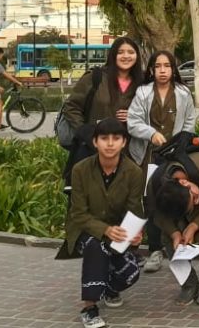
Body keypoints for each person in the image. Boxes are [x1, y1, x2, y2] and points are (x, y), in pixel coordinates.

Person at [63, 119, 145, 328]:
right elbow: (78, 213)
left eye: (116, 138)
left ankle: (108, 288)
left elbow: (134, 210)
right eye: (104, 138)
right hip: (85, 228)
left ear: (124, 142)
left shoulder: (134, 172)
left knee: (131, 273)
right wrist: (105, 230)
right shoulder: (80, 169)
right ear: (95, 142)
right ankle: (90, 308)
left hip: (118, 231)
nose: (110, 144)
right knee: (95, 246)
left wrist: (135, 234)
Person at [126, 50, 197, 273]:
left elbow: (190, 123)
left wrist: (179, 144)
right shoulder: (143, 92)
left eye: (167, 66)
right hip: (149, 156)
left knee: (173, 197)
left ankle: (179, 244)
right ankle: (155, 250)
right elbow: (132, 121)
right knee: (151, 201)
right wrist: (150, 133)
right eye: (158, 66)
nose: (163, 70)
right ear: (152, 70)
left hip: (173, 156)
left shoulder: (184, 93)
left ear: (173, 69)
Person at [151, 139, 199, 308]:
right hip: (176, 204)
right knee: (169, 238)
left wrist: (193, 226)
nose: (196, 199)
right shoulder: (156, 182)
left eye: (193, 197)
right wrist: (175, 233)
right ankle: (188, 284)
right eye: (193, 200)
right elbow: (157, 214)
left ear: (185, 183)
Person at [59, 37, 143, 187]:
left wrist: (134, 116)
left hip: (129, 152)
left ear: (137, 56)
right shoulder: (95, 77)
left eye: (131, 52)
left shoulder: (142, 83)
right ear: (113, 55)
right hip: (93, 150)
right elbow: (71, 107)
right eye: (120, 52)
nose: (126, 56)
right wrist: (85, 132)